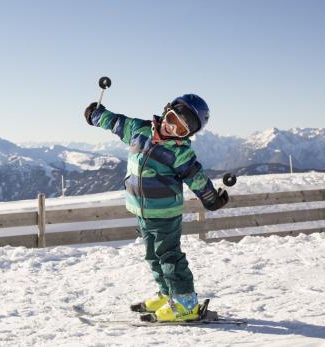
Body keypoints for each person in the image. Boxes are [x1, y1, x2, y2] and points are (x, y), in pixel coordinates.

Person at [84, 94, 229, 322]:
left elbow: (196, 178)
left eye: (181, 130)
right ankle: (166, 295)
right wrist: (96, 115)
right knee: (153, 256)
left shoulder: (180, 152)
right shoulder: (138, 130)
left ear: (187, 135)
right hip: (141, 211)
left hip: (165, 214)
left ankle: (186, 304)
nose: (172, 128)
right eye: (172, 119)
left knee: (169, 256)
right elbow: (116, 122)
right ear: (166, 111)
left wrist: (211, 198)